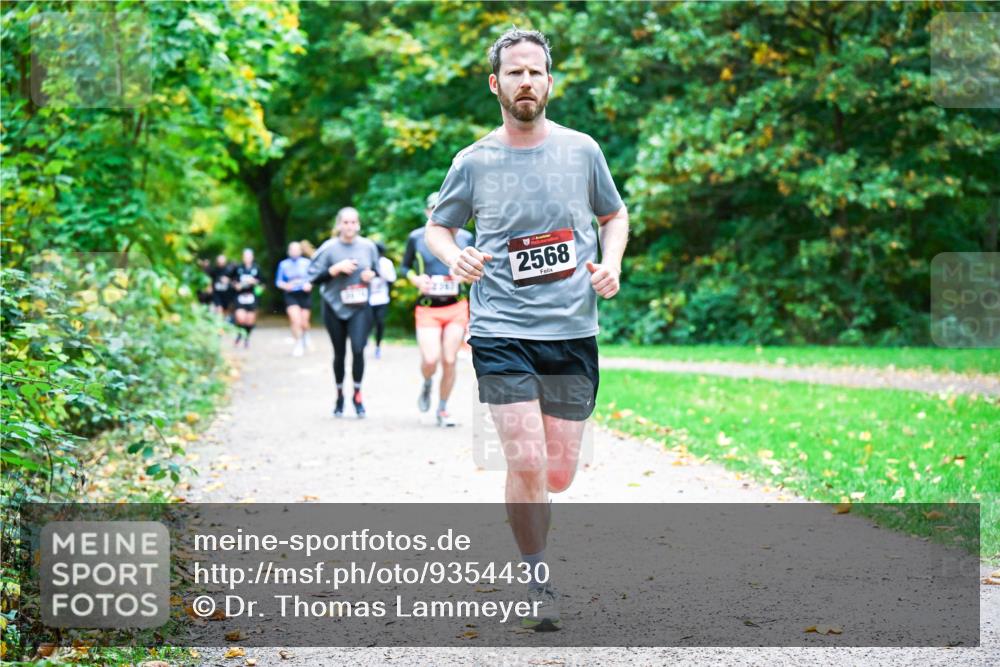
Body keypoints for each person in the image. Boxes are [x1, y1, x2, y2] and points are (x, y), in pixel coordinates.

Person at [425, 28, 629, 631]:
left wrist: (611, 262)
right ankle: (538, 577)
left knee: (558, 474)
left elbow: (613, 214)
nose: (525, 82)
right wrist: (451, 255)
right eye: (514, 73)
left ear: (550, 82)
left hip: (571, 329)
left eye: (535, 72)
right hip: (500, 329)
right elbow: (439, 227)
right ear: (496, 84)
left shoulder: (582, 150)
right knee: (528, 458)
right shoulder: (474, 160)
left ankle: (531, 528)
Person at [401, 192, 473, 427]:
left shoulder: (465, 237)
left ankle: (442, 408)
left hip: (456, 307)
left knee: (450, 359)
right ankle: (427, 382)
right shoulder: (416, 237)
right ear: (427, 212)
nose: (438, 212)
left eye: (442, 207)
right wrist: (415, 280)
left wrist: (464, 276)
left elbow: (478, 274)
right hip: (428, 307)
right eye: (433, 208)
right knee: (431, 359)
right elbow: (404, 268)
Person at [307, 207, 380, 418]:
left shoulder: (368, 247)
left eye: (353, 222)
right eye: (345, 222)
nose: (349, 226)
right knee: (339, 353)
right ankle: (339, 394)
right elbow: (312, 278)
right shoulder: (328, 249)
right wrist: (334, 269)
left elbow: (375, 270)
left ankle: (357, 394)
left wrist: (370, 275)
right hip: (334, 306)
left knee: (358, 349)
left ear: (358, 225)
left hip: (360, 307)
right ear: (339, 225)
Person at [276, 241, 314, 356]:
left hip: (304, 294)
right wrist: (285, 285)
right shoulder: (283, 264)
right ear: (289, 251)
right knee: (295, 320)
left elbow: (313, 278)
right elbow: (278, 281)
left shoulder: (307, 263)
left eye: (296, 249)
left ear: (300, 251)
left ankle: (305, 334)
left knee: (304, 322)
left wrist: (310, 285)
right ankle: (299, 343)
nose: (294, 252)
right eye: (292, 250)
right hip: (291, 294)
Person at [368, 241, 397, 359]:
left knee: (380, 322)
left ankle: (378, 346)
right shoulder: (366, 261)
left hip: (381, 298)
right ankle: (364, 342)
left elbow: (392, 279)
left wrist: (380, 273)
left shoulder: (386, 263)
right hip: (367, 299)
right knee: (367, 322)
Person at [232, 248, 262, 348]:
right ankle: (240, 334)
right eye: (245, 257)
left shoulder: (256, 268)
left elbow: (262, 283)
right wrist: (237, 285)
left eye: (249, 256)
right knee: (241, 318)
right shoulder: (238, 268)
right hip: (240, 296)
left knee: (250, 320)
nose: (247, 259)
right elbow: (232, 281)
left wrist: (255, 282)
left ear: (252, 257)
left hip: (251, 296)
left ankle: (246, 338)